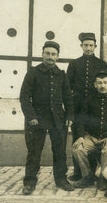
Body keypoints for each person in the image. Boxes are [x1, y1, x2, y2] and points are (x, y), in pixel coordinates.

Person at [19, 41, 75, 194]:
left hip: (58, 120)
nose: (50, 57)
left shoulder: (61, 75)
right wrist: (31, 116)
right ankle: (29, 181)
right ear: (42, 54)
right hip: (37, 120)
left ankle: (61, 179)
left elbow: (68, 98)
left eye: (53, 54)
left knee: (60, 151)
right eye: (48, 53)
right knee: (34, 151)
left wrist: (69, 115)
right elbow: (24, 97)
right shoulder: (33, 72)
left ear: (57, 56)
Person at [66, 32, 107, 181]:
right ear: (81, 46)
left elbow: (105, 83)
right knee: (78, 137)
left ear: (95, 46)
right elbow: (67, 87)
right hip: (78, 107)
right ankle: (80, 172)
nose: (88, 48)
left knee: (93, 134)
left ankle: (94, 170)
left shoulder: (101, 64)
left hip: (94, 106)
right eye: (86, 45)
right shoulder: (74, 64)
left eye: (91, 45)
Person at [72, 70, 107, 190]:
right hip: (91, 137)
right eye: (99, 83)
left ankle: (103, 178)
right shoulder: (88, 100)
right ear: (95, 85)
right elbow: (81, 120)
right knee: (77, 149)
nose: (102, 86)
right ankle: (87, 176)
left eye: (105, 82)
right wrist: (80, 136)